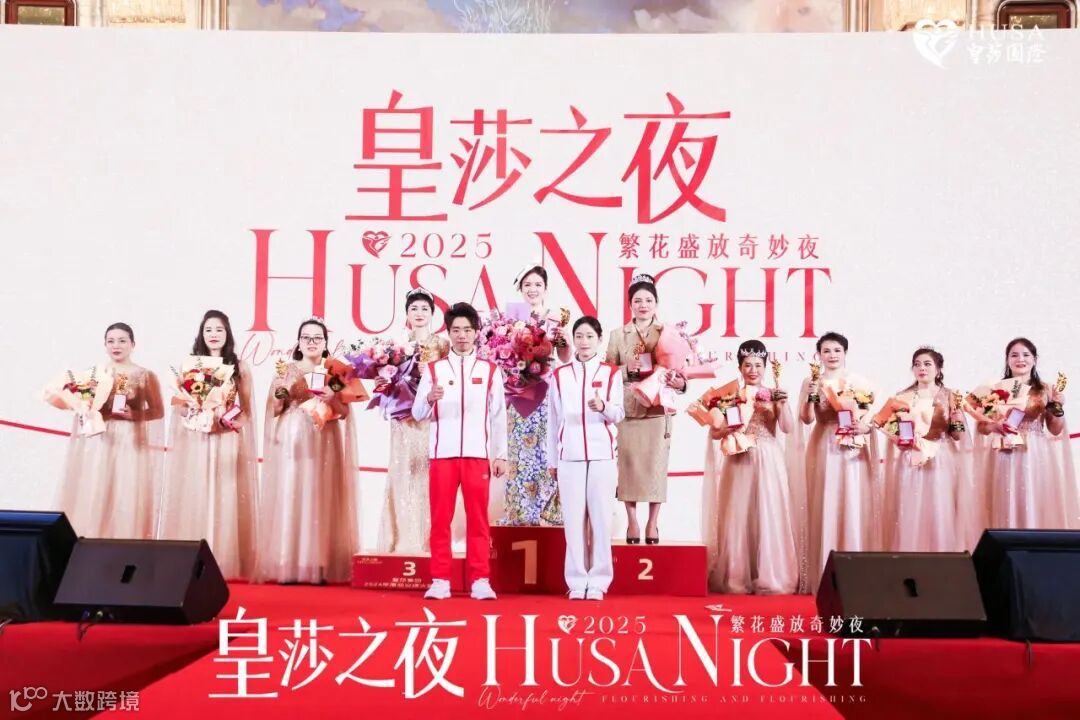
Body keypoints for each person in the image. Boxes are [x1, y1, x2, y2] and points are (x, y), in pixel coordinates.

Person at [413, 302, 508, 600]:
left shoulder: (490, 370)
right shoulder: (434, 369)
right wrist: (429, 398)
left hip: (477, 456)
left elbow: (499, 416)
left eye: (467, 330)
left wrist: (500, 454)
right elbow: (417, 413)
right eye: (456, 330)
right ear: (449, 333)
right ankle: (440, 579)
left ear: (476, 332)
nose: (462, 336)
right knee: (440, 520)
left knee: (478, 520)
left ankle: (480, 580)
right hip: (442, 456)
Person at [253, 318, 359, 584]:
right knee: (292, 491)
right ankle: (288, 563)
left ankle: (318, 564)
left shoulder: (336, 371)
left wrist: (332, 398)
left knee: (320, 494)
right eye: (306, 338)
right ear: (298, 343)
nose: (311, 342)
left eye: (317, 338)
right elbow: (275, 409)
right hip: (293, 437)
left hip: (325, 438)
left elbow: (345, 413)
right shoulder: (286, 370)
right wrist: (282, 392)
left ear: (325, 343)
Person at [158, 310, 258, 579]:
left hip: (226, 438)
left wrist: (229, 420)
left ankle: (224, 559)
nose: (214, 335)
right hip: (198, 439)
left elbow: (246, 410)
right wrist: (194, 409)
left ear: (228, 334)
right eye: (209, 330)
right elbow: (179, 406)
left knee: (225, 494)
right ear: (201, 334)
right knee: (197, 492)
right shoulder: (190, 366)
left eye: (219, 330)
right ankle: (194, 561)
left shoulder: (240, 367)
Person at [703, 340, 804, 595]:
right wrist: (729, 427)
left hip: (768, 457)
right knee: (738, 513)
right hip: (739, 455)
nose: (753, 370)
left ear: (765, 367)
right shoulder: (729, 396)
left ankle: (771, 575)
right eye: (747, 365)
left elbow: (788, 428)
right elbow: (715, 433)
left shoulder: (774, 393)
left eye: (758, 365)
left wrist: (783, 404)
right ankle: (737, 576)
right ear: (740, 367)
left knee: (769, 512)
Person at [50, 323, 164, 539]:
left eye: (122, 341)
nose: (116, 346)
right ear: (104, 345)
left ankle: (124, 541)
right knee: (97, 485)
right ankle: (90, 539)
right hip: (100, 438)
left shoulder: (145, 375)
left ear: (133, 344)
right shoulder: (94, 374)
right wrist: (83, 407)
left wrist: (133, 414)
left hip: (130, 439)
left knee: (126, 488)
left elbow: (158, 411)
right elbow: (83, 404)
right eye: (111, 341)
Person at [604, 273, 686, 544]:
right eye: (637, 300)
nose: (643, 305)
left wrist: (680, 382)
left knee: (655, 467)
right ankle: (632, 521)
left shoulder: (669, 334)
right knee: (628, 467)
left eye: (648, 300)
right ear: (630, 304)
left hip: (658, 409)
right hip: (629, 410)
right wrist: (626, 369)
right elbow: (606, 373)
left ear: (656, 303)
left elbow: (682, 373)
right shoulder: (618, 335)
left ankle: (653, 522)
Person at [548, 316, 625, 600]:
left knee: (601, 520)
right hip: (569, 457)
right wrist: (553, 461)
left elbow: (619, 414)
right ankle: (577, 581)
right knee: (573, 521)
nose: (583, 342)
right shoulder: (560, 375)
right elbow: (553, 420)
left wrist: (603, 406)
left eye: (589, 336)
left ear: (599, 340)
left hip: (603, 456)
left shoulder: (611, 373)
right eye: (579, 336)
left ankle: (599, 582)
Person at [799, 331, 881, 592]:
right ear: (818, 355)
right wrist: (810, 396)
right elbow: (806, 418)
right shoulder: (811, 381)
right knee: (826, 501)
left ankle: (855, 570)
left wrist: (865, 427)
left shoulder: (858, 382)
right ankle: (824, 570)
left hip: (852, 447)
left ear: (845, 353)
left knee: (852, 501)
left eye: (837, 350)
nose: (832, 355)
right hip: (824, 444)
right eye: (826, 351)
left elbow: (871, 418)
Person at [877, 347, 976, 552]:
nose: (922, 368)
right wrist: (899, 439)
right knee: (910, 508)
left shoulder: (950, 396)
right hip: (910, 459)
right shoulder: (901, 397)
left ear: (938, 369)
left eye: (927, 364)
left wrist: (958, 419)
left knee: (940, 507)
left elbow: (957, 436)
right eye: (917, 364)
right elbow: (886, 427)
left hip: (941, 459)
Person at [376, 287, 449, 554]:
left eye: (424, 309)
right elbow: (384, 377)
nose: (419, 313)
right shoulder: (395, 344)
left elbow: (450, 379)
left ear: (432, 314)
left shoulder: (442, 345)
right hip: (402, 419)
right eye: (414, 308)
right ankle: (402, 540)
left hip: (430, 419)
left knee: (427, 476)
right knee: (402, 472)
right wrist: (385, 380)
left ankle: (428, 540)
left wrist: (430, 373)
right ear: (407, 313)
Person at [976, 338, 1077, 529]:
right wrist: (994, 426)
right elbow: (982, 427)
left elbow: (1055, 429)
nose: (1020, 359)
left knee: (1034, 498)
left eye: (1026, 355)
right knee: (1005, 499)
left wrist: (1058, 406)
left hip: (1035, 451)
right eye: (1014, 355)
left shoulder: (1046, 389)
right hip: (1004, 450)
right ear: (1007, 360)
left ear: (1034, 359)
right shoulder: (995, 388)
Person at [499, 264, 572, 526]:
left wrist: (565, 340)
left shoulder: (555, 319)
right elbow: (502, 355)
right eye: (527, 284)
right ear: (520, 289)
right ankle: (519, 512)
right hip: (518, 393)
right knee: (519, 452)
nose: (532, 289)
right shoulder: (510, 319)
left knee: (545, 449)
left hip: (545, 393)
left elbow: (565, 357)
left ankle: (546, 512)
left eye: (538, 285)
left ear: (546, 289)